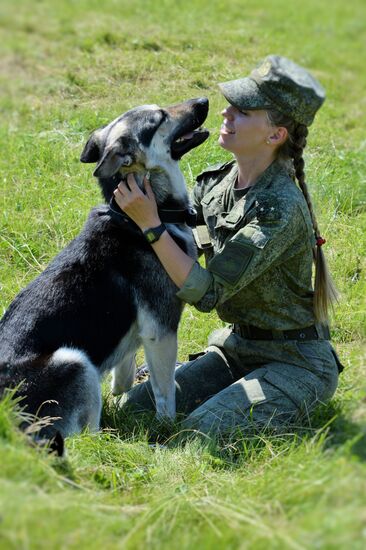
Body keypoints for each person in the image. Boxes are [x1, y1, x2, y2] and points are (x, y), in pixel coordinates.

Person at [113, 55, 343, 436]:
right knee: (130, 412)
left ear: (275, 135)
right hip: (236, 348)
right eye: (231, 104)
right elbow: (182, 255)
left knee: (197, 434)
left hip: (295, 362)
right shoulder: (212, 185)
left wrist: (150, 225)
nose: (225, 113)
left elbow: (207, 293)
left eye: (243, 110)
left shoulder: (278, 207)